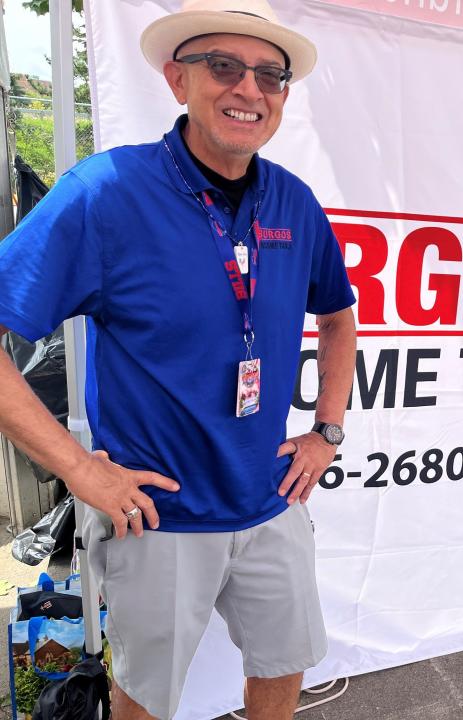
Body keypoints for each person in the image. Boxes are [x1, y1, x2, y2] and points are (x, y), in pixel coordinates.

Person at [0, 1, 357, 718]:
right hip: (155, 520)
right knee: (145, 698)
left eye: (270, 75)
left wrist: (327, 430)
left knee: (283, 669)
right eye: (223, 67)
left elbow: (339, 315)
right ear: (177, 80)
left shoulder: (293, 201)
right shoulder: (106, 194)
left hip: (270, 503)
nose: (249, 90)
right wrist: (79, 469)